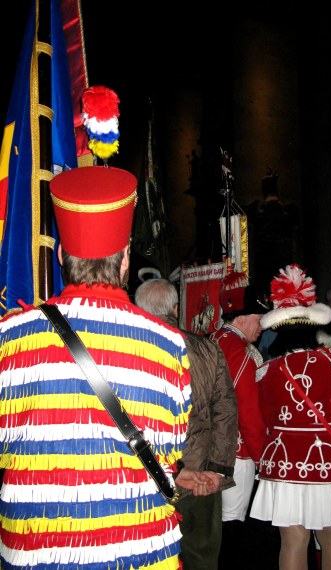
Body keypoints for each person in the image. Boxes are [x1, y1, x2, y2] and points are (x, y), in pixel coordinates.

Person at [0, 166, 214, 570]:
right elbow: (171, 446)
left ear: (62, 255)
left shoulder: (9, 336)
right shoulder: (170, 344)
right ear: (125, 260)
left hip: (34, 555)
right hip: (140, 554)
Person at [249, 264, 331, 570]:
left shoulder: (267, 372)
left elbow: (260, 421)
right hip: (328, 458)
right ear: (314, 327)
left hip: (285, 464)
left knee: (293, 542)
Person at [134, 277, 239, 570]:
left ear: (137, 308)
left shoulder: (129, 352)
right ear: (177, 307)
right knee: (201, 557)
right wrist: (217, 470)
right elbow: (226, 412)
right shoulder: (207, 349)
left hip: (150, 479)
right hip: (202, 477)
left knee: (148, 557)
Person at [209, 270, 268, 569]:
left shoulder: (211, 340)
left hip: (207, 449)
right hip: (237, 452)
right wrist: (263, 456)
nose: (262, 326)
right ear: (242, 319)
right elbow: (248, 410)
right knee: (232, 525)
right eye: (258, 318)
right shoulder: (240, 352)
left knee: (214, 526)